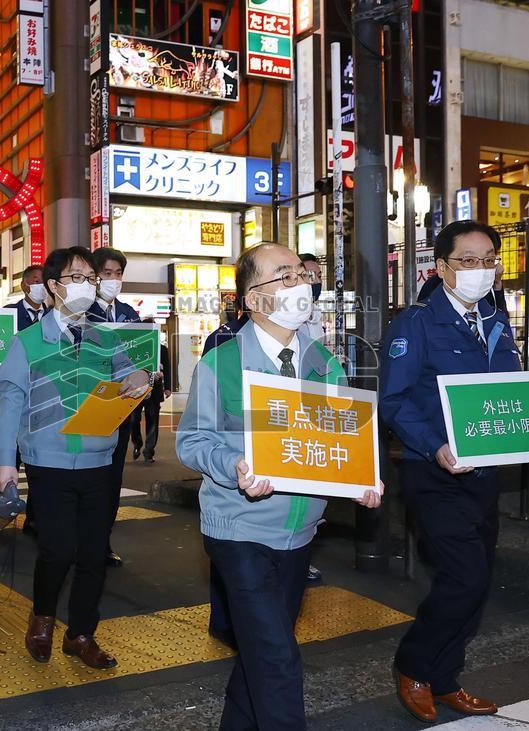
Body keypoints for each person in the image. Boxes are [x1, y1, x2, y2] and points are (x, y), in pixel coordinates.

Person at [176, 243, 381, 729]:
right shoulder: (220, 364)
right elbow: (192, 441)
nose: (299, 284)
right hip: (238, 530)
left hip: (300, 532)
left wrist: (360, 478)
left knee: (260, 653)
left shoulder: (324, 362)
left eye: (301, 275)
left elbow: (337, 439)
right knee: (277, 658)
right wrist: (233, 464)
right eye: (284, 276)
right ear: (253, 298)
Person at [380, 221, 529, 723]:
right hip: (435, 474)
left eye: (489, 260)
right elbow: (394, 402)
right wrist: (435, 446)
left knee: (478, 581)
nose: (480, 270)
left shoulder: (496, 319)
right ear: (441, 267)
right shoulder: (416, 324)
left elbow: (510, 397)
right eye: (468, 260)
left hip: (484, 475)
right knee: (464, 577)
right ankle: (414, 666)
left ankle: (445, 678)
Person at [0, 246, 150, 670]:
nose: (87, 286)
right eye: (76, 277)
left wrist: (139, 377)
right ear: (53, 286)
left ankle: (81, 634)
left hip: (99, 461)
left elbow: (130, 374)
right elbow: (9, 402)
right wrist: (4, 461)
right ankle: (42, 619)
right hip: (48, 463)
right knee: (58, 550)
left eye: (90, 279)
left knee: (94, 555)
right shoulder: (27, 342)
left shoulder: (105, 338)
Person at [87, 247, 141, 568]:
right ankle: (85, 540)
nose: (113, 280)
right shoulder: (82, 312)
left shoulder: (128, 314)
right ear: (94, 277)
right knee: (91, 478)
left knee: (113, 479)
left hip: (122, 409)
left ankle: (102, 540)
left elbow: (142, 354)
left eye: (118, 274)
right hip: (89, 407)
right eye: (107, 273)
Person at [130, 336, 171, 462]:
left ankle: (149, 451)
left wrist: (168, 387)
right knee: (133, 419)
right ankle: (137, 443)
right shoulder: (135, 347)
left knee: (152, 420)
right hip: (136, 390)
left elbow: (167, 368)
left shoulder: (161, 349)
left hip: (154, 390)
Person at [298, 253, 327, 344]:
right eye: (310, 276)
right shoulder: (286, 317)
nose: (317, 281)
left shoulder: (316, 314)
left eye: (319, 276)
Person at [14, 264, 47, 331]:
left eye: (45, 283)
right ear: (24, 285)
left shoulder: (52, 315)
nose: (42, 286)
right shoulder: (10, 312)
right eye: (36, 281)